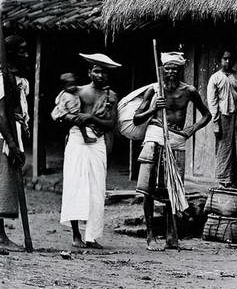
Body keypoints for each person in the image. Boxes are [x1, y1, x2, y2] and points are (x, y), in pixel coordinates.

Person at [134, 52, 211, 251]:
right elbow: (136, 119)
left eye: (174, 69)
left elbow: (207, 115)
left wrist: (190, 130)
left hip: (177, 139)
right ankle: (150, 236)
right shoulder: (154, 90)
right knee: (148, 190)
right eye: (167, 68)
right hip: (155, 137)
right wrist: (153, 109)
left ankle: (171, 236)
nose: (170, 72)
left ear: (181, 70)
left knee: (173, 189)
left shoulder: (189, 91)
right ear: (162, 69)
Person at [59, 53, 120, 249]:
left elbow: (111, 124)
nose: (100, 75)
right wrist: (74, 118)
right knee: (75, 185)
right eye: (96, 71)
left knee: (97, 188)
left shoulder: (111, 96)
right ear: (89, 72)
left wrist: (91, 119)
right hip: (77, 139)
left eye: (103, 72)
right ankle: (76, 234)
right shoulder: (79, 92)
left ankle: (92, 236)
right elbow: (63, 114)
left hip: (98, 141)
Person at [207, 50, 237, 188]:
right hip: (223, 117)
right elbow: (212, 101)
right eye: (225, 59)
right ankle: (223, 179)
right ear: (220, 60)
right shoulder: (215, 78)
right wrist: (216, 122)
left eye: (230, 59)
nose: (228, 62)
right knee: (224, 147)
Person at [0, 35, 28, 251]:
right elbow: (0, 115)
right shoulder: (1, 77)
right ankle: (1, 236)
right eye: (22, 49)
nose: (26, 54)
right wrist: (12, 143)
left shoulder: (14, 78)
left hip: (11, 133)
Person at [51, 73, 96, 143]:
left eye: (74, 84)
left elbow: (82, 88)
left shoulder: (72, 91)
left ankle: (68, 138)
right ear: (64, 86)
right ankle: (86, 137)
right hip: (64, 114)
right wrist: (79, 115)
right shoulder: (68, 96)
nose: (72, 87)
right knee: (80, 120)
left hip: (64, 113)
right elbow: (73, 110)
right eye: (69, 85)